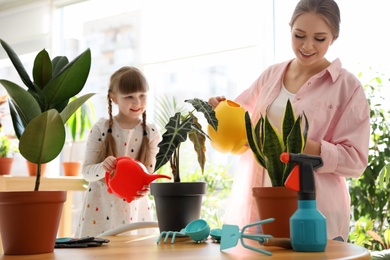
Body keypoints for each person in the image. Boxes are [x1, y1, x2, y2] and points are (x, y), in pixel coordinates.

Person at [209, 0, 369, 242]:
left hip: (316, 215)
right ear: (290, 29)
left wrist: (301, 146)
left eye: (320, 39)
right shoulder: (270, 76)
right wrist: (218, 111)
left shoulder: (347, 87)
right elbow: (243, 132)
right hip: (261, 211)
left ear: (334, 38)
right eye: (299, 35)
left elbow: (356, 161)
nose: (307, 46)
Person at [75, 66, 162, 237]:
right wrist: (103, 168)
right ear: (113, 98)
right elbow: (86, 173)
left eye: (142, 95)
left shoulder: (152, 133)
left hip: (136, 210)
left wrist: (145, 187)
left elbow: (149, 175)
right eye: (129, 97)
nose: (137, 103)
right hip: (99, 209)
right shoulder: (101, 128)